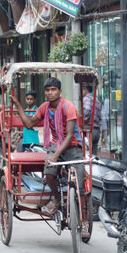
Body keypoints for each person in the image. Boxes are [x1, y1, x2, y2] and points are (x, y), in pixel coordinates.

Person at [10, 77, 85, 218]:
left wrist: (55, 155)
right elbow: (29, 124)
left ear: (60, 91)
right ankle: (57, 198)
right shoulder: (44, 107)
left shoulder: (68, 107)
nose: (50, 93)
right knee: (49, 174)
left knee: (80, 185)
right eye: (47, 90)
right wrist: (18, 106)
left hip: (72, 146)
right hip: (55, 144)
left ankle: (84, 217)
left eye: (53, 90)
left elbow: (69, 136)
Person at [82, 85, 102, 155]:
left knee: (87, 154)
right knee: (94, 155)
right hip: (97, 130)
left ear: (86, 90)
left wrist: (83, 121)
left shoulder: (86, 99)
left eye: (82, 90)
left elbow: (87, 111)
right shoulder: (97, 101)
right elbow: (100, 117)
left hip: (89, 129)